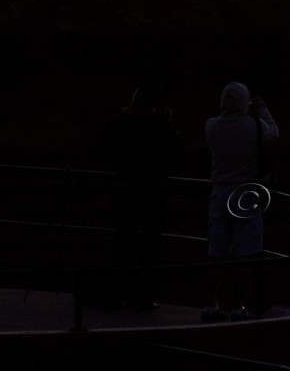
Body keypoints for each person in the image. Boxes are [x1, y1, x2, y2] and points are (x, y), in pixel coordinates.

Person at [95, 79, 182, 309]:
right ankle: (143, 297)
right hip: (153, 190)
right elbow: (178, 147)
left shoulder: (120, 120)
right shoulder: (159, 123)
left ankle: (115, 294)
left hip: (127, 188)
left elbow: (103, 148)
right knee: (150, 246)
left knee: (123, 243)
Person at [203, 81, 278, 319]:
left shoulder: (211, 126)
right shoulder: (255, 126)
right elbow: (274, 133)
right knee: (246, 253)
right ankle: (237, 305)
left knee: (216, 252)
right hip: (247, 195)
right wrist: (262, 109)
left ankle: (210, 303)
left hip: (219, 193)